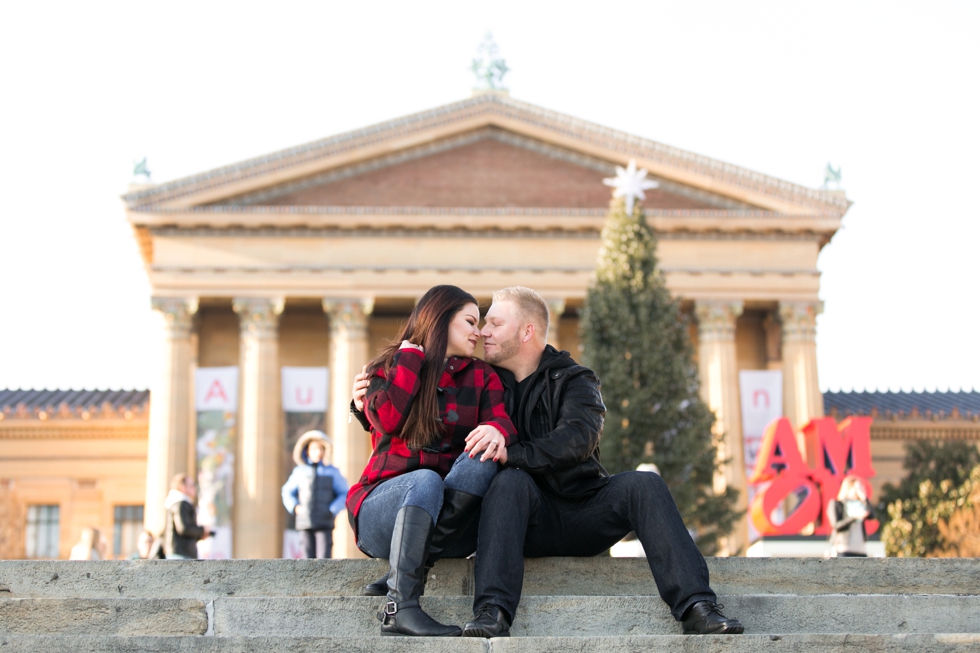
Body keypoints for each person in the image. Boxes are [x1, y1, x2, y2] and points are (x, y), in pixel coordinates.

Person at [355, 286, 743, 637]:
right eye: (480, 323)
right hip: (523, 516)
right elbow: (433, 421)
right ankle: (492, 612)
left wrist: (510, 448)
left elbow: (576, 439)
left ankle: (696, 606)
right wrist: (364, 407)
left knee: (645, 485)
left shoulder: (575, 380)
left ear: (526, 332)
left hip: (582, 507)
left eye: (494, 323)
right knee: (507, 480)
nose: (484, 332)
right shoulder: (486, 378)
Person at [347, 284, 516, 637]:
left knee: (482, 455)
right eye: (470, 321)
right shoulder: (387, 367)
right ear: (440, 319)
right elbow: (388, 420)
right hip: (383, 513)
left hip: (448, 528)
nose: (478, 332)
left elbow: (500, 419)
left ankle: (411, 571)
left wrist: (500, 430)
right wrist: (410, 359)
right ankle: (401, 608)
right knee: (425, 479)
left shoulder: (483, 377)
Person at [281, 430, 349, 559]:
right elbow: (287, 491)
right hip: (304, 522)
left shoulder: (332, 472)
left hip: (324, 522)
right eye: (314, 449)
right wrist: (295, 507)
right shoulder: (300, 472)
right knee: (306, 559)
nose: (318, 452)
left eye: (320, 449)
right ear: (307, 451)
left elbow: (344, 493)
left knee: (324, 558)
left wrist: (331, 510)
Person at [163, 473, 213, 559]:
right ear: (182, 487)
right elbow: (183, 528)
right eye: (192, 485)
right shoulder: (181, 503)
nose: (195, 488)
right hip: (181, 555)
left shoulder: (179, 503)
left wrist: (200, 535)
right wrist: (202, 530)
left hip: (180, 553)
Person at [827, 475, 875, 558]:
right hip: (844, 549)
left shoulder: (861, 505)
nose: (858, 491)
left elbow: (872, 515)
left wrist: (864, 497)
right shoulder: (837, 504)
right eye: (856, 488)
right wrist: (854, 517)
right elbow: (837, 526)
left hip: (861, 550)